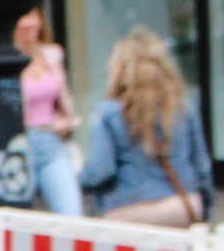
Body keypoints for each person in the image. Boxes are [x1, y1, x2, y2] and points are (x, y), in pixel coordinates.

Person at [80, 26, 212, 227]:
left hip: (128, 210)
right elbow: (202, 167)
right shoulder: (184, 107)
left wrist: (80, 178)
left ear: (119, 68)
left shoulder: (108, 112)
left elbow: (100, 172)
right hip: (182, 207)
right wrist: (204, 209)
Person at [14, 6, 83, 216]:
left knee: (72, 215)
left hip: (51, 141)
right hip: (20, 144)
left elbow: (64, 101)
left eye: (32, 15)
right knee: (20, 218)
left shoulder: (52, 54)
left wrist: (67, 122)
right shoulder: (4, 59)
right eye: (21, 17)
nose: (28, 23)